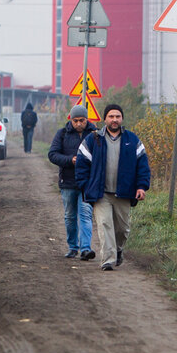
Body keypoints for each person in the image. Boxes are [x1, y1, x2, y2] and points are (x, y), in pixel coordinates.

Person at [75, 104, 151, 271]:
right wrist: (87, 186)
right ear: (105, 119)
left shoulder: (132, 140)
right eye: (111, 116)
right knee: (105, 225)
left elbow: (143, 166)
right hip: (101, 193)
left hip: (124, 192)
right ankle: (108, 260)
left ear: (121, 119)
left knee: (122, 229)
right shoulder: (93, 139)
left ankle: (117, 250)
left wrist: (141, 187)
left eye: (117, 116)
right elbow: (81, 164)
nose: (114, 119)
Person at [48, 105, 97, 260]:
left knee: (85, 215)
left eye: (81, 120)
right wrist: (70, 160)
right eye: (75, 121)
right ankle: (72, 247)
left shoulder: (95, 135)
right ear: (70, 119)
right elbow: (53, 154)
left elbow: (102, 156)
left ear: (86, 119)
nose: (78, 124)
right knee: (70, 216)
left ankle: (85, 249)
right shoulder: (62, 134)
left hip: (87, 183)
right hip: (68, 182)